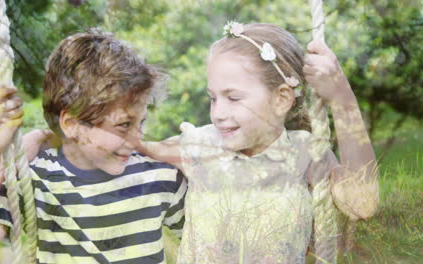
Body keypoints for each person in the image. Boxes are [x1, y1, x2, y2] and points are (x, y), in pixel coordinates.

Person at [136, 22, 379, 263]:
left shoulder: (305, 154)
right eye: (213, 98)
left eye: (233, 98)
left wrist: (342, 98)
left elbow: (361, 203)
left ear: (281, 99)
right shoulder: (199, 145)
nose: (218, 112)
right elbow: (129, 147)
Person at [0, 31, 187, 264]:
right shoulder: (35, 181)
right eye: (124, 125)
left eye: (141, 122)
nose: (137, 138)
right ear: (72, 124)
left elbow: (214, 243)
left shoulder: (159, 177)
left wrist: (200, 170)